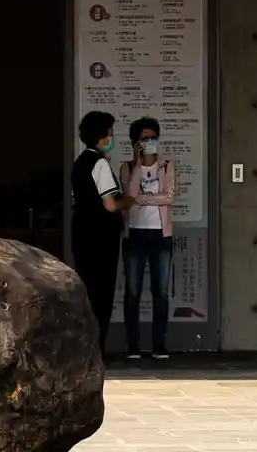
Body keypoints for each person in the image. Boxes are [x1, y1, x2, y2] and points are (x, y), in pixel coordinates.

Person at [71, 110, 130, 355]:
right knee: (102, 293)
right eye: (110, 133)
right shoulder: (100, 163)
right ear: (100, 136)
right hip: (101, 236)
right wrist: (129, 200)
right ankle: (97, 349)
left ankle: (84, 348)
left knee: (87, 290)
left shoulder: (79, 163)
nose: (111, 138)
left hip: (82, 231)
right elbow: (110, 204)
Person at [118, 115, 175, 360]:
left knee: (160, 291)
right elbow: (129, 197)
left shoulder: (167, 165)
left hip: (160, 235)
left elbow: (169, 197)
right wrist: (139, 164)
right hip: (135, 234)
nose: (149, 142)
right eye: (144, 139)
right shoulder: (128, 167)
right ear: (135, 142)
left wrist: (145, 198)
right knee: (133, 290)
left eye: (153, 138)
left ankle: (159, 344)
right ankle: (133, 345)